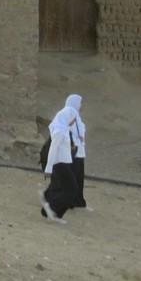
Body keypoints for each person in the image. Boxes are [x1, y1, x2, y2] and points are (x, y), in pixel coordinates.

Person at [41, 92, 85, 221]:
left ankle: (55, 213)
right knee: (71, 189)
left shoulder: (64, 129)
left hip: (64, 162)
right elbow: (53, 149)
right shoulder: (60, 130)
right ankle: (50, 207)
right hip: (59, 164)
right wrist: (48, 169)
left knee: (70, 188)